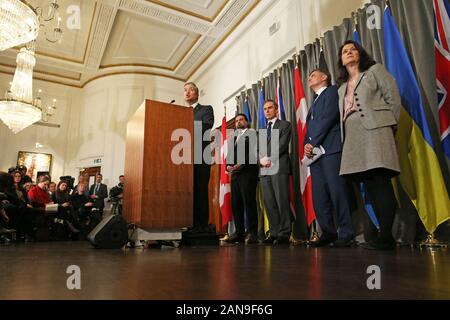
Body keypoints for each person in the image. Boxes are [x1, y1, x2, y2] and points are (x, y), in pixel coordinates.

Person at [337, 40, 401, 250]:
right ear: (341, 59)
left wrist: (389, 124)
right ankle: (379, 233)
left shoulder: (375, 70)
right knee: (369, 185)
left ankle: (387, 236)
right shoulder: (341, 88)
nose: (348, 53)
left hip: (376, 130)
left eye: (352, 49)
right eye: (344, 51)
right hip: (353, 137)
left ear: (360, 53)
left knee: (380, 180)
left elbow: (392, 96)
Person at [304, 69, 354, 247]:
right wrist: (306, 145)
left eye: (313, 75)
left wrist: (313, 141)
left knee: (337, 192)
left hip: (331, 150)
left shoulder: (332, 91)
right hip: (315, 156)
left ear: (324, 77)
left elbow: (329, 117)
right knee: (319, 196)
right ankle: (328, 232)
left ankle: (346, 233)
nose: (309, 78)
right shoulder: (314, 101)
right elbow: (309, 127)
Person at [259, 100, 292, 245]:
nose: (267, 110)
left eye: (270, 108)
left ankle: (284, 233)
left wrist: (269, 158)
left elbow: (283, 144)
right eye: (265, 108)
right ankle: (273, 232)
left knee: (281, 201)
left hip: (279, 167)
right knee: (269, 202)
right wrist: (261, 160)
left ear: (276, 109)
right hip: (264, 170)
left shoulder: (285, 125)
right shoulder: (261, 130)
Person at [184, 82, 214, 233]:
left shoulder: (206, 109)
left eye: (190, 90)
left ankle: (201, 225)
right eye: (185, 90)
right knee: (187, 191)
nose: (187, 93)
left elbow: (207, 125)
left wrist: (186, 125)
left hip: (201, 155)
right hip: (183, 156)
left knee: (200, 190)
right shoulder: (180, 112)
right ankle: (188, 223)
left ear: (196, 93)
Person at [225, 114, 259, 244]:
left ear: (246, 122)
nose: (238, 122)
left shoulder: (253, 134)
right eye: (237, 121)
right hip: (235, 175)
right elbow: (230, 155)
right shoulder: (234, 137)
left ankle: (252, 233)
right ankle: (239, 233)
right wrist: (228, 166)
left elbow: (254, 151)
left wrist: (242, 164)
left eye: (241, 120)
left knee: (249, 202)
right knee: (236, 204)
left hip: (248, 173)